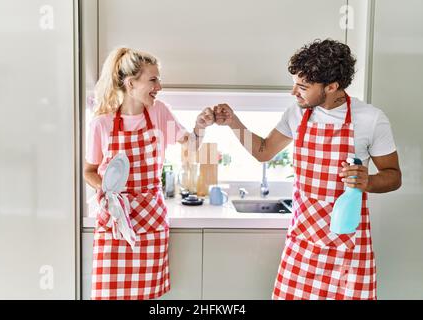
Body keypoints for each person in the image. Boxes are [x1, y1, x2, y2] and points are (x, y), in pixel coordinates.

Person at [213, 39, 402, 300]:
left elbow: (394, 176)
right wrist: (233, 123)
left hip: (346, 248)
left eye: (303, 86)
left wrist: (367, 181)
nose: (294, 92)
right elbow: (263, 151)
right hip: (303, 242)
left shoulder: (370, 119)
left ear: (332, 87)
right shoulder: (298, 113)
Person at [83, 47, 214, 300]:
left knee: (148, 297)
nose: (160, 86)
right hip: (115, 222)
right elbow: (89, 171)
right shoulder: (102, 124)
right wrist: (109, 193)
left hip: (150, 219)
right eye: (153, 79)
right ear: (131, 83)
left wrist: (200, 126)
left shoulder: (159, 112)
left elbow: (190, 146)